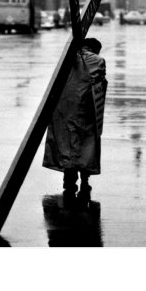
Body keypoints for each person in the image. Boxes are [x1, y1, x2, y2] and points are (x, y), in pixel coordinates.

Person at [42, 38, 107, 203]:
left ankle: (68, 181)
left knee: (66, 144)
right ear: (95, 49)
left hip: (63, 109)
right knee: (87, 145)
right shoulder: (97, 61)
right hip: (86, 111)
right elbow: (99, 84)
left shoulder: (67, 58)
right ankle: (85, 180)